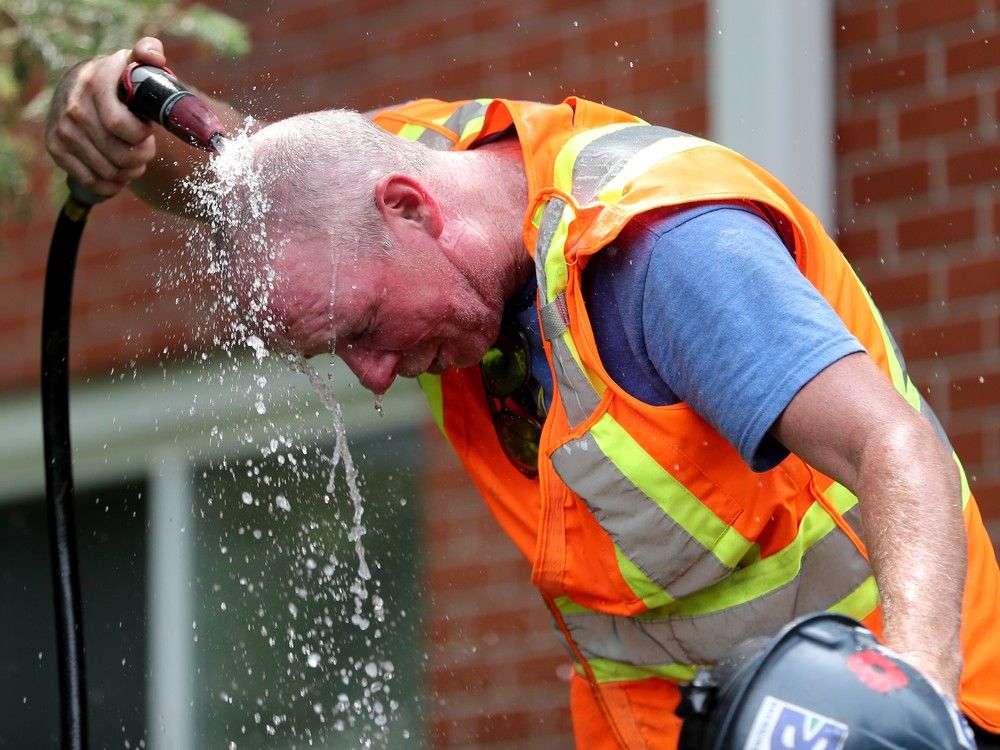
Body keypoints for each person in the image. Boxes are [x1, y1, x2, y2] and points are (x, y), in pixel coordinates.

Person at [47, 38, 1000, 749]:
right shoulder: (400, 181)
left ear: (412, 211)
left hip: (884, 713)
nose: (373, 375)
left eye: (364, 331)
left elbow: (894, 446)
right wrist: (109, 120)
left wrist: (908, 691)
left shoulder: (666, 261)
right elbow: (259, 177)